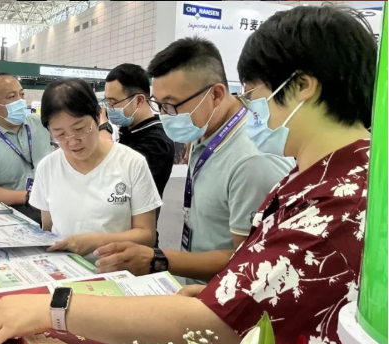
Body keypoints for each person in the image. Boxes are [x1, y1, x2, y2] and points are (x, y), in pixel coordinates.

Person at [0, 6, 385, 344]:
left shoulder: (337, 200)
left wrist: (54, 308)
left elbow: (217, 324)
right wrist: (224, 294)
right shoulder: (323, 175)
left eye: (255, 93)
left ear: (302, 86)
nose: (251, 108)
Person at [102, 37, 293, 284]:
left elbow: (250, 262)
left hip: (228, 297)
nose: (165, 115)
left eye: (171, 105)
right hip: (201, 288)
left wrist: (158, 259)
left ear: (215, 94)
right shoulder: (206, 131)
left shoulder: (252, 160)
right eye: (159, 105)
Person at [29, 79, 162, 257]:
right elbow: (47, 229)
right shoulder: (47, 167)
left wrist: (97, 241)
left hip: (115, 267)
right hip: (65, 268)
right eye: (60, 134)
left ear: (97, 117)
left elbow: (147, 236)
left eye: (80, 129)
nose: (72, 141)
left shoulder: (132, 163)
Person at [104, 63, 176, 247]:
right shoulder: (129, 130)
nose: (109, 108)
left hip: (137, 240)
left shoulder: (157, 140)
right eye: (107, 102)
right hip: (116, 233)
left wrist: (103, 131)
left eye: (114, 102)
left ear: (138, 100)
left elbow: (119, 180)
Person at [0, 73, 53, 223]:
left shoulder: (41, 124)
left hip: (53, 205)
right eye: (12, 97)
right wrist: (29, 196)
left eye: (22, 94)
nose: (20, 101)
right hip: (15, 214)